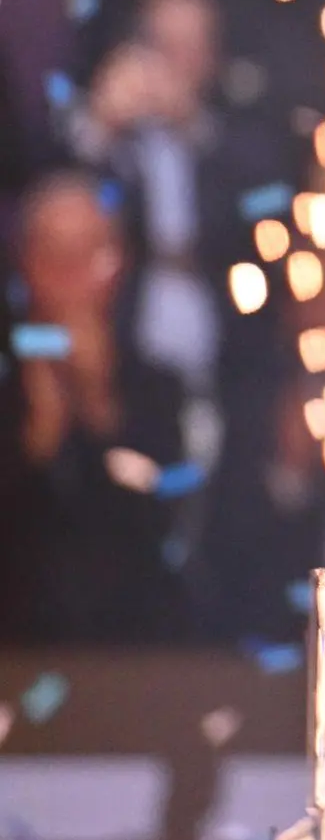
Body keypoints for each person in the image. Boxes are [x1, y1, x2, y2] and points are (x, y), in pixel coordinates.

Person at [0, 172, 189, 644]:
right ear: (24, 262)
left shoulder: (154, 386)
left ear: (118, 264)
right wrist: (39, 437)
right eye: (54, 254)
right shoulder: (8, 376)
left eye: (88, 253)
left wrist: (99, 406)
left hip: (130, 653)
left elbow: (167, 517)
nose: (70, 272)